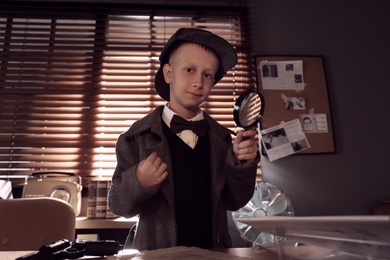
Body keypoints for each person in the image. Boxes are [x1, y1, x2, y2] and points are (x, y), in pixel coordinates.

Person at [108, 28, 260, 251]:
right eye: (189, 69)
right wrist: (139, 181)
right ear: (168, 74)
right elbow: (118, 206)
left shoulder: (224, 140)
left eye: (208, 75)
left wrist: (240, 164)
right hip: (155, 255)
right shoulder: (134, 138)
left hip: (213, 254)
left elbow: (235, 201)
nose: (199, 81)